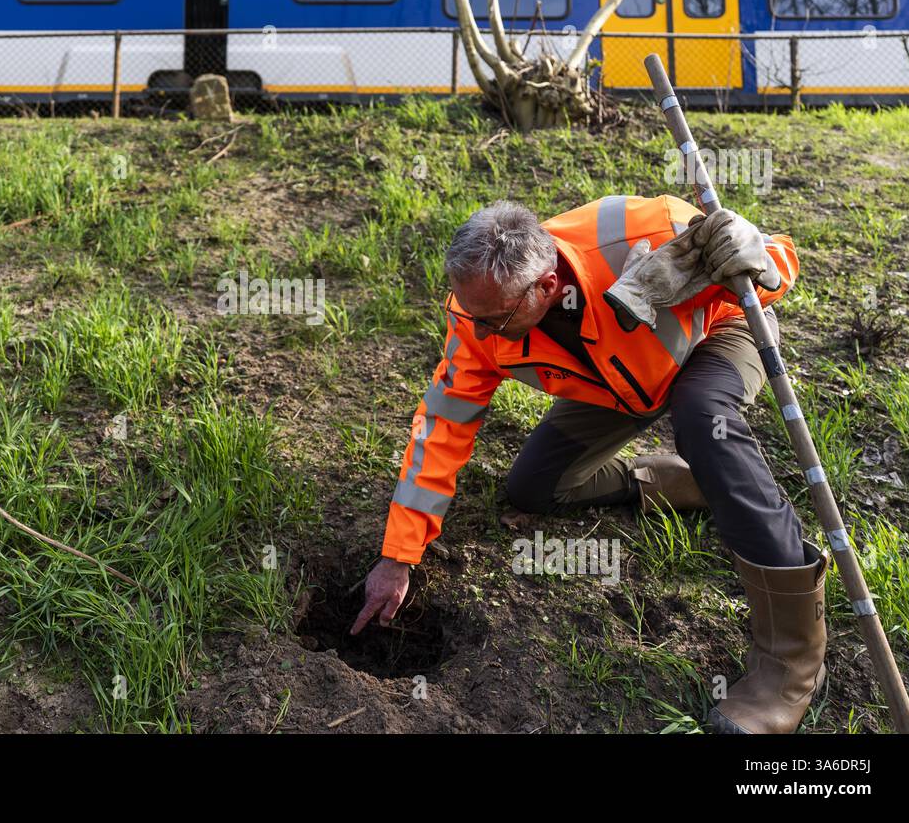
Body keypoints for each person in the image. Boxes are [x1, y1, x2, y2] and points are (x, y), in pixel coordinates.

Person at [350, 195, 827, 734]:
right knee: (534, 487)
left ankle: (791, 661)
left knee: (702, 418)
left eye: (492, 320)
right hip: (621, 386)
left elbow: (778, 262)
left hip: (713, 335)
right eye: (470, 315)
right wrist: (399, 555)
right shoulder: (478, 313)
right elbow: (442, 426)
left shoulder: (641, 229)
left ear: (546, 288)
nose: (478, 334)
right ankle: (694, 481)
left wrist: (754, 254)